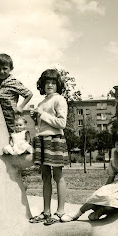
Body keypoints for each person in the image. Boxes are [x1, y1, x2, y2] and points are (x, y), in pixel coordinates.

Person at [27, 68, 71, 225]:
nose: (50, 85)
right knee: (45, 177)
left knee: (57, 176)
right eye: (47, 82)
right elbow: (42, 125)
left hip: (55, 139)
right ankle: (46, 211)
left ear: (58, 84)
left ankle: (60, 211)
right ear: (42, 85)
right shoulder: (42, 102)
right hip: (43, 140)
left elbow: (62, 123)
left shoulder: (59, 99)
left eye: (53, 82)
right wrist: (35, 118)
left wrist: (42, 115)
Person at [69, 127, 118, 221]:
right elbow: (111, 177)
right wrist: (104, 189)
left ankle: (100, 211)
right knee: (99, 194)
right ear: (114, 145)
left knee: (114, 201)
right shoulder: (114, 159)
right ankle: (78, 213)